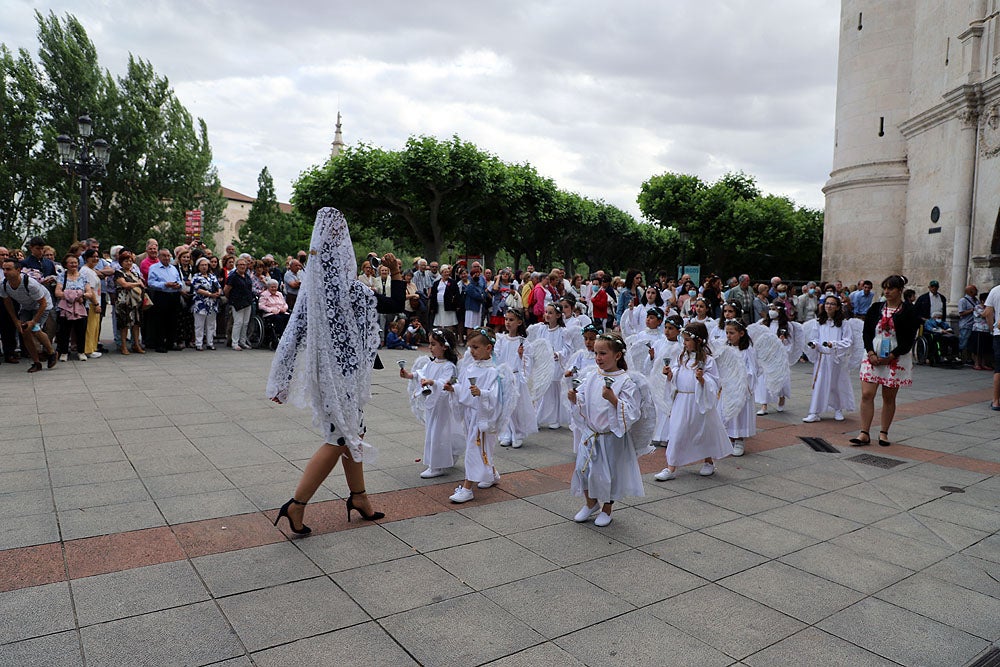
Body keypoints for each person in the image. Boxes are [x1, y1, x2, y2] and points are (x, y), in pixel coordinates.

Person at [269, 209, 405, 534]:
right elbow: (391, 305)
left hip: (325, 374)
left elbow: (293, 334)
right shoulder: (349, 288)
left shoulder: (312, 291)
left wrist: (281, 379)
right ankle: (296, 505)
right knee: (339, 437)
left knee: (351, 434)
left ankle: (359, 497)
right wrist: (397, 273)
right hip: (342, 377)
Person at [567, 331, 650, 527]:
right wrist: (575, 399)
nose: (598, 358)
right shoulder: (592, 376)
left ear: (617, 355)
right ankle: (590, 503)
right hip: (591, 434)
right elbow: (585, 399)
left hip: (611, 436)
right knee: (582, 470)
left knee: (608, 475)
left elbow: (632, 412)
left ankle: (607, 508)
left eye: (603, 353)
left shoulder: (626, 381)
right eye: (596, 353)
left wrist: (613, 399)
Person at [654, 322, 733, 480]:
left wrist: (702, 380)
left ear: (699, 341)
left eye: (688, 340)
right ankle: (671, 467)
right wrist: (669, 374)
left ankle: (708, 461)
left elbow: (715, 381)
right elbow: (676, 373)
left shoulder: (708, 360)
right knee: (677, 431)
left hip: (699, 401)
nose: (684, 343)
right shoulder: (681, 357)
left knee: (702, 431)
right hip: (682, 400)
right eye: (684, 340)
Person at [444, 327, 514, 503]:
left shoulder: (493, 371)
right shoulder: (469, 368)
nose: (472, 352)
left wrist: (481, 393)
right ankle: (491, 473)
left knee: (474, 449)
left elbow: (496, 396)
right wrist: (454, 388)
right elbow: (463, 388)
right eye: (470, 347)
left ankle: (467, 488)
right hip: (470, 414)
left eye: (476, 347)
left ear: (488, 348)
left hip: (482, 415)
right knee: (481, 448)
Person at [853, 275, 918, 446]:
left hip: (895, 356)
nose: (887, 291)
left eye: (891, 288)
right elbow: (866, 332)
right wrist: (871, 353)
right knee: (867, 394)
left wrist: (892, 355)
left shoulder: (908, 311)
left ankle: (883, 432)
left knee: (888, 397)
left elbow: (909, 338)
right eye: (885, 288)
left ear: (900, 290)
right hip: (873, 353)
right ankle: (864, 432)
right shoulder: (876, 308)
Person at [401, 328, 464, 478]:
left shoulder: (449, 365)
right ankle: (447, 456)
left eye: (433, 344)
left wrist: (433, 382)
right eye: (430, 344)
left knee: (438, 432)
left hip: (442, 405)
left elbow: (445, 382)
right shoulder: (432, 362)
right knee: (434, 431)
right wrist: (410, 375)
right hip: (433, 404)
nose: (430, 347)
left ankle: (436, 465)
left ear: (444, 346)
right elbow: (422, 373)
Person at [802, 295, 855, 423]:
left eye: (832, 304)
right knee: (819, 383)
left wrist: (834, 344)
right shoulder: (819, 321)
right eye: (827, 303)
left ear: (837, 307)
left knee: (835, 384)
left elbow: (848, 340)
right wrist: (814, 344)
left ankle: (838, 409)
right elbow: (815, 337)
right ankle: (814, 412)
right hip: (822, 358)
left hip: (835, 358)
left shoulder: (843, 323)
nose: (828, 306)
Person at [494, 308, 540, 449]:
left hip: (516, 377)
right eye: (506, 319)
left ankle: (518, 434)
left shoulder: (523, 342)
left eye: (511, 320)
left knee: (516, 407)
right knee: (505, 407)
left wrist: (521, 356)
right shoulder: (501, 340)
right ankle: (505, 433)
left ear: (519, 322)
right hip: (503, 377)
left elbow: (528, 362)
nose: (508, 322)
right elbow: (496, 357)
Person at [1, 258, 57, 372]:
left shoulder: (30, 284)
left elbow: (43, 303)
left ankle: (51, 352)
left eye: (8, 269)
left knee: (35, 329)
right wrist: (16, 320)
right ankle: (36, 362)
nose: (5, 272)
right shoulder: (4, 285)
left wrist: (33, 321)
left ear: (18, 270)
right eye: (3, 269)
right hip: (26, 307)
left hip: (42, 306)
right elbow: (7, 302)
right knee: (24, 331)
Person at [532, 303, 574, 430]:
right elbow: (538, 344)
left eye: (550, 313)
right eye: (546, 312)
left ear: (557, 315)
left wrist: (558, 354)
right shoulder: (542, 329)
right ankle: (537, 417)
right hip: (543, 364)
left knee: (555, 392)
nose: (547, 315)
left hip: (556, 365)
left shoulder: (563, 331)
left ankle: (555, 418)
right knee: (543, 391)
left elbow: (568, 349)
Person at [723, 319, 758, 457]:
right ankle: (729, 438)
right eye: (727, 333)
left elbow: (753, 370)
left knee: (739, 414)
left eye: (732, 333)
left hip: (740, 387)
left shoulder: (747, 350)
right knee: (727, 413)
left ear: (741, 333)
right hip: (727, 387)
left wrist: (740, 378)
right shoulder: (726, 349)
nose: (728, 336)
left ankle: (739, 440)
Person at [54, 254, 92, 361]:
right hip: (65, 309)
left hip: (80, 307)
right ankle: (64, 352)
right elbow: (57, 292)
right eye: (71, 263)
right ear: (66, 264)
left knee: (81, 330)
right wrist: (73, 295)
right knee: (64, 331)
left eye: (75, 262)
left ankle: (81, 351)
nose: (73, 265)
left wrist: (82, 296)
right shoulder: (62, 276)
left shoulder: (83, 276)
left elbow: (89, 293)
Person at [146, 248, 184, 353]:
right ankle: (160, 344)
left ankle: (171, 342)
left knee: (173, 320)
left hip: (174, 295)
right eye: (164, 256)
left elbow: (179, 280)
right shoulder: (154, 268)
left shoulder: (173, 268)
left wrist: (178, 285)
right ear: (159, 257)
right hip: (162, 295)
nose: (167, 258)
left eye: (168, 256)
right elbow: (151, 283)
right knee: (160, 321)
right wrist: (164, 284)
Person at [113, 251, 146, 355]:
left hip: (136, 302)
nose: (128, 263)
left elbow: (143, 284)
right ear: (121, 262)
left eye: (130, 261)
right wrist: (137, 283)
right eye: (126, 261)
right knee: (124, 324)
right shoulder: (118, 272)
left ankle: (136, 344)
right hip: (124, 302)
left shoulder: (135, 272)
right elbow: (124, 284)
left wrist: (139, 284)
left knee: (136, 324)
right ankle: (123, 346)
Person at [191, 257, 222, 350]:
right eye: (202, 265)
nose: (204, 267)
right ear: (198, 266)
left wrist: (218, 293)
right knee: (199, 325)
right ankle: (199, 343)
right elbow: (198, 289)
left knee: (211, 324)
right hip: (201, 304)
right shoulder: (196, 277)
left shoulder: (212, 276)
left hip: (212, 304)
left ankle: (210, 342)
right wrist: (210, 294)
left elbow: (218, 286)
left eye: (206, 265)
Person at [224, 257, 254, 350]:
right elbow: (226, 290)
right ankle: (234, 342)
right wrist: (231, 299)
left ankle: (242, 341)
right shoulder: (233, 277)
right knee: (238, 322)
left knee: (245, 323)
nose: (242, 266)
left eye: (244, 265)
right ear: (236, 266)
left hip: (247, 302)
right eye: (240, 265)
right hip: (237, 302)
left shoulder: (247, 276)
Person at [79, 249, 104, 358]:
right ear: (86, 258)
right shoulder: (86, 271)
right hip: (90, 303)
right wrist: (96, 304)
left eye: (97, 256)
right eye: (93, 257)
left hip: (94, 301)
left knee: (94, 326)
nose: (96, 259)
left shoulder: (91, 270)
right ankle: (88, 349)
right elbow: (91, 290)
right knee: (90, 327)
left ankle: (92, 347)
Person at [982, 283, 1000, 410]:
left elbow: (987, 312)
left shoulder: (995, 290)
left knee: (999, 369)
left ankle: (995, 401)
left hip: (999, 334)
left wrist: (991, 328)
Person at [429, 264, 460, 336]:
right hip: (439, 307)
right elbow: (433, 295)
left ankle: (450, 338)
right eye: (445, 272)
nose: (447, 273)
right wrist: (432, 307)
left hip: (449, 306)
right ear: (441, 273)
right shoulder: (436, 283)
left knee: (449, 324)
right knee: (439, 323)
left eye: (448, 272)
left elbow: (457, 294)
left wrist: (457, 305)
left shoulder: (453, 282)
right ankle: (441, 338)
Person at [258, 278, 291, 344]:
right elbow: (261, 306)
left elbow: (285, 304)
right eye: (272, 287)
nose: (274, 289)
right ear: (268, 287)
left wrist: (284, 308)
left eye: (275, 287)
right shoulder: (264, 294)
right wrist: (271, 310)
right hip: (270, 314)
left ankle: (288, 337)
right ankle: (280, 336)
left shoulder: (279, 294)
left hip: (281, 312)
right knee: (279, 319)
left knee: (289, 317)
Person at [957, 285, 979, 363]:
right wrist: (972, 310)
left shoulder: (976, 300)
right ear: (970, 291)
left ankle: (969, 358)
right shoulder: (963, 300)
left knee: (971, 343)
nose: (977, 291)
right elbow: (961, 313)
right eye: (975, 290)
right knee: (963, 341)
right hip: (966, 325)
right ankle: (960, 357)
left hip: (974, 325)